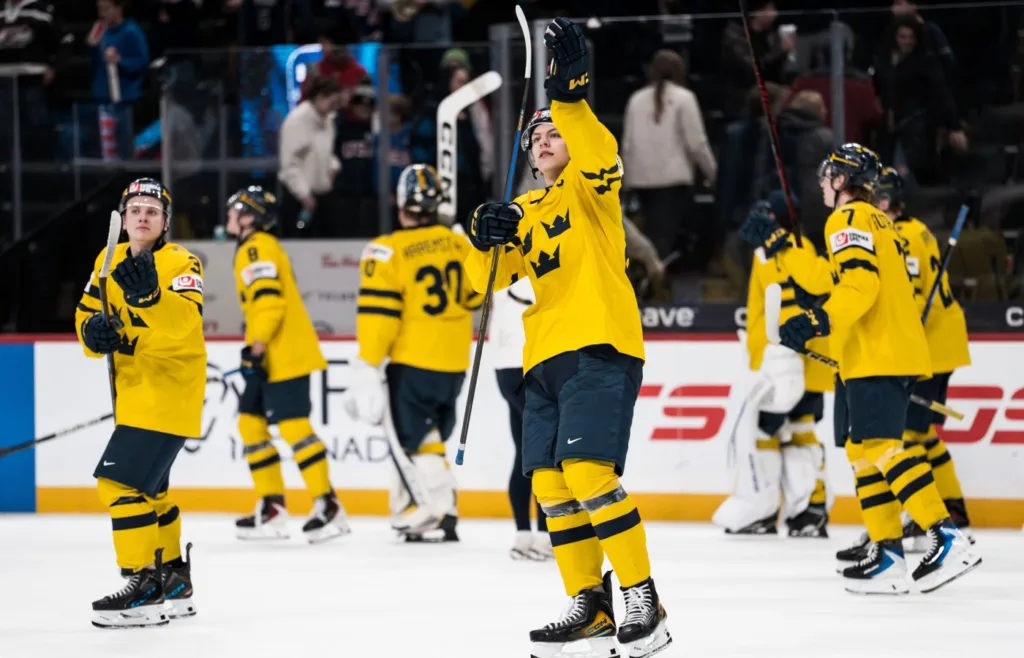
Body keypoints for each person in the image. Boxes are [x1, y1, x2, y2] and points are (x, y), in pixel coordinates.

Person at [463, 18, 671, 658]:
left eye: (555, 132)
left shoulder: (592, 187)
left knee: (588, 474)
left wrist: (567, 98)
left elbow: (597, 146)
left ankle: (642, 596)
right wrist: (481, 232)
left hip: (597, 345)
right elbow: (481, 281)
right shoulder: (524, 211)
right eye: (537, 135)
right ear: (528, 157)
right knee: (552, 489)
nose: (546, 138)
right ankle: (590, 604)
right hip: (543, 359)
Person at [741, 143, 980, 595]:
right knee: (861, 450)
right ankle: (888, 554)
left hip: (878, 353)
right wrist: (783, 250)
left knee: (883, 448)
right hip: (876, 353)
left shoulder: (847, 218)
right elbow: (833, 278)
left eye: (826, 176)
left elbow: (858, 285)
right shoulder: (874, 221)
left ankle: (946, 536)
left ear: (841, 180)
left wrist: (817, 320)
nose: (821, 184)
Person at [75, 178, 202, 628]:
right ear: (123, 219)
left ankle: (142, 585)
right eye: (135, 210)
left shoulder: (182, 262)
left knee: (118, 484)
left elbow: (185, 323)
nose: (143, 217)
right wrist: (92, 333)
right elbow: (87, 312)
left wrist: (151, 298)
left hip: (167, 390)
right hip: (135, 394)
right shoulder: (106, 259)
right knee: (153, 492)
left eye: (152, 211)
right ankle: (173, 580)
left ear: (165, 222)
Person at [836, 166, 974, 565]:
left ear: (884, 200)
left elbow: (904, 297)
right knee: (920, 432)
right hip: (937, 342)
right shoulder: (914, 230)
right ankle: (950, 510)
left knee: (899, 438)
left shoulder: (901, 234)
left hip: (927, 345)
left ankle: (906, 524)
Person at [343, 163, 483, 542]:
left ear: (400, 204)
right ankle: (428, 507)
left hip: (413, 361)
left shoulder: (387, 250)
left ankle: (438, 507)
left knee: (412, 437)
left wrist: (367, 362)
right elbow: (475, 298)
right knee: (429, 434)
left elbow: (379, 316)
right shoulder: (459, 243)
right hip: (455, 362)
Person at [222, 185, 350, 544]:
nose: (229, 216)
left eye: (235, 210)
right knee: (250, 424)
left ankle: (329, 505)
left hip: (283, 354)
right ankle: (272, 507)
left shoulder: (256, 247)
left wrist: (256, 348)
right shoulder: (255, 246)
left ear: (249, 217)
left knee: (294, 427)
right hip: (271, 354)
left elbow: (269, 303)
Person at [713, 191, 833, 538]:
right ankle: (810, 510)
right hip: (796, 361)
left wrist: (781, 360)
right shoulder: (789, 249)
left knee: (765, 432)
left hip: (785, 361)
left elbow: (791, 304)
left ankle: (763, 510)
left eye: (766, 216)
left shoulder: (786, 251)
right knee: (800, 430)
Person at [491, 275, 552, 560]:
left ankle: (524, 534)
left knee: (525, 452)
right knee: (543, 453)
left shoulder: (501, 275)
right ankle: (543, 536)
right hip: (532, 362)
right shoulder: (536, 270)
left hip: (506, 369)